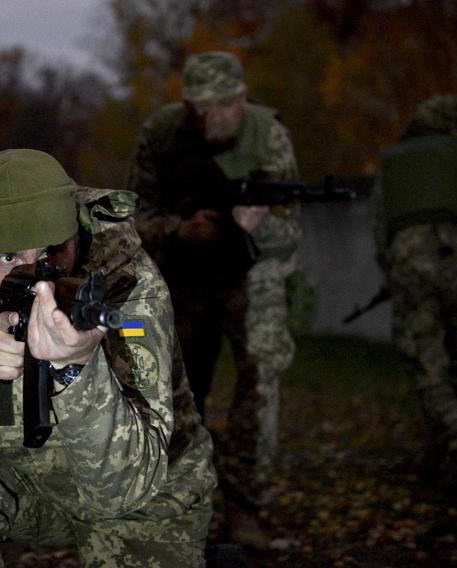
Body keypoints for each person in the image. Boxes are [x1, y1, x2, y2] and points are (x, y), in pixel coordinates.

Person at [0, 149, 216, 566]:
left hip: (148, 493)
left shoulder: (127, 281)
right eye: (10, 258)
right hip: (18, 482)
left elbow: (125, 487)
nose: (39, 277)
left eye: (53, 251)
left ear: (75, 234)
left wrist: (78, 369)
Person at [125, 51, 301, 548]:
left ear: (244, 99)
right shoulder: (161, 134)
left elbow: (291, 231)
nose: (216, 116)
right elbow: (131, 216)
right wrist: (180, 230)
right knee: (176, 392)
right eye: (203, 107)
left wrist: (251, 231)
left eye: (227, 104)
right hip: (183, 277)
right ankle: (181, 503)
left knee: (262, 375)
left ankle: (246, 506)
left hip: (249, 274)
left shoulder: (268, 135)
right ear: (186, 107)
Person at [372, 96, 457, 494]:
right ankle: (442, 449)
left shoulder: (391, 162)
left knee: (428, 363)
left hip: (413, 264)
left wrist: (390, 270)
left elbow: (381, 225)